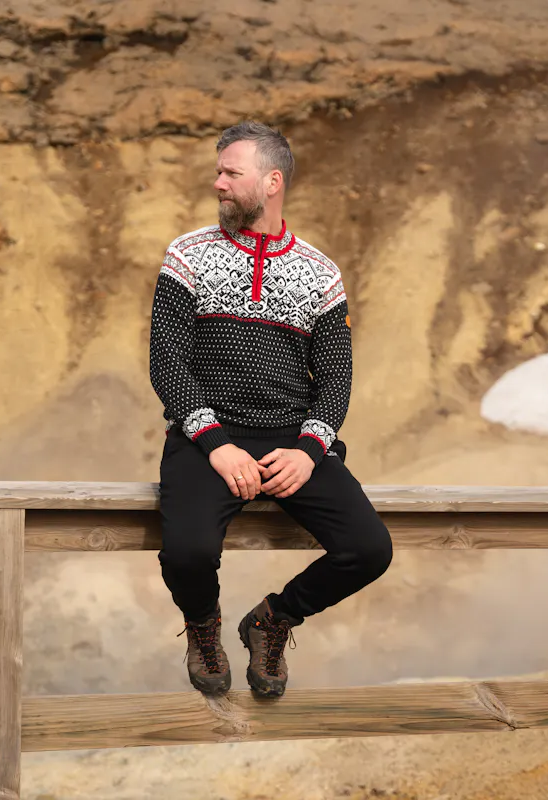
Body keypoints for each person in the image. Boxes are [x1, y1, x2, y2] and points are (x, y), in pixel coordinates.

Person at [147, 120, 392, 698]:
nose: (218, 183)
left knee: (369, 549)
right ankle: (203, 626)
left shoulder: (320, 271)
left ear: (272, 180)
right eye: (218, 172)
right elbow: (167, 362)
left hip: (293, 440)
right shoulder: (187, 255)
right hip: (206, 435)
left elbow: (336, 379)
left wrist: (310, 452)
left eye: (231, 172)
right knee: (188, 552)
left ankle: (273, 620)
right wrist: (215, 442)